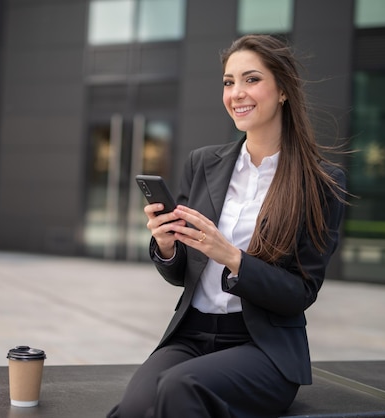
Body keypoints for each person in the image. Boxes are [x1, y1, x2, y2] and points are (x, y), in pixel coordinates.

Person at [107, 34, 347, 418]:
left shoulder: (320, 183)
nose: (237, 92)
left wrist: (232, 257)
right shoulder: (203, 163)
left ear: (283, 89)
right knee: (135, 407)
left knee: (179, 389)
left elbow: (300, 293)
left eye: (251, 79)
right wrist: (167, 246)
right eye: (228, 82)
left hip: (263, 349)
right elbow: (181, 272)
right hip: (191, 336)